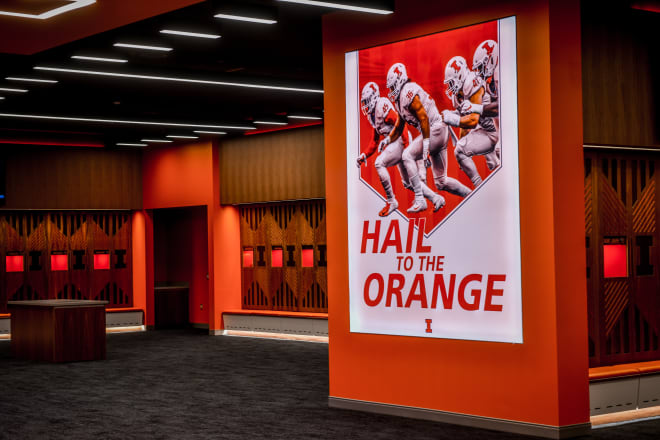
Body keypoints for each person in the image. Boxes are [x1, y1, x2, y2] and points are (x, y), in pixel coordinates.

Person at [382, 63, 470, 213]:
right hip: (439, 131)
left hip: (434, 129)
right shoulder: (400, 99)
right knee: (441, 182)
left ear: (398, 81)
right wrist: (388, 139)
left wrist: (426, 145)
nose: (391, 90)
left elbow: (423, 118)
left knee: (407, 155)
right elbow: (399, 126)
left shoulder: (407, 91)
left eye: (392, 86)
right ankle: (470, 195)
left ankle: (420, 199)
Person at [356, 82, 444, 216]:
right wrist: (364, 155)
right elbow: (375, 141)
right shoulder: (372, 114)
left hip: (400, 140)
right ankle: (436, 198)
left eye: (366, 101)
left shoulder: (381, 106)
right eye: (364, 102)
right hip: (394, 142)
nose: (365, 105)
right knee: (408, 183)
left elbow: (400, 124)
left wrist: (407, 148)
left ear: (374, 98)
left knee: (379, 163)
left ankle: (391, 201)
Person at [441, 55, 499, 188]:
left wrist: (453, 119)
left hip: (496, 131)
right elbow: (465, 124)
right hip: (485, 129)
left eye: (451, 82)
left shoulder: (471, 84)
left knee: (496, 162)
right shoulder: (459, 94)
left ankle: (478, 187)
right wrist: (462, 153)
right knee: (491, 165)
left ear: (460, 76)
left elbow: (472, 120)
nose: (450, 86)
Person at [472, 39, 501, 170]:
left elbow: (502, 108)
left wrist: (476, 108)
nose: (479, 71)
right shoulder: (489, 83)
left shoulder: (500, 72)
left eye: (481, 67)